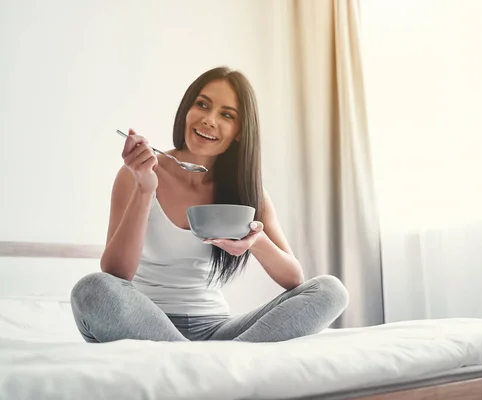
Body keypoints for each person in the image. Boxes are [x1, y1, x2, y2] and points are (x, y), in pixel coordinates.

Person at [70, 66, 349, 343]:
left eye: (226, 115)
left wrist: (256, 241)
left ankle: (208, 362)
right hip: (145, 325)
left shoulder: (248, 193)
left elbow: (294, 278)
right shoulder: (137, 175)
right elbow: (116, 273)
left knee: (331, 290)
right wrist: (145, 190)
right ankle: (210, 365)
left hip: (217, 330)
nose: (209, 119)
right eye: (202, 105)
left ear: (239, 131)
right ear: (187, 110)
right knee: (93, 288)